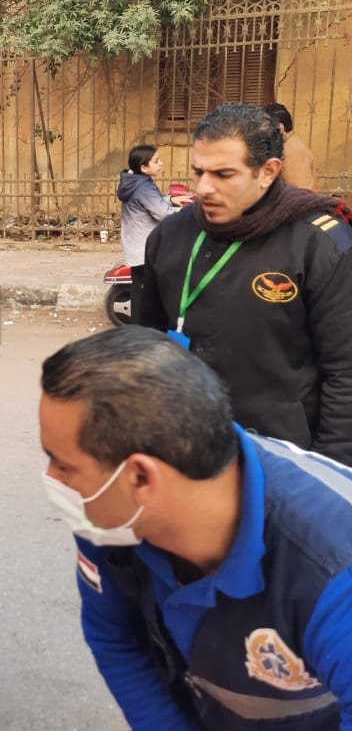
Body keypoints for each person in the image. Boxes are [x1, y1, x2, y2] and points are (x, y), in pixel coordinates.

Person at [40, 325, 352, 731]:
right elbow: (117, 642)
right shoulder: (111, 520)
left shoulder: (330, 572)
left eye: (64, 464)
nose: (52, 479)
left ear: (141, 477)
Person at [140, 102, 352, 466]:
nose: (204, 188)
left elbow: (345, 371)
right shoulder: (170, 235)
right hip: (186, 447)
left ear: (268, 172)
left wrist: (329, 472)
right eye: (198, 172)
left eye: (223, 174)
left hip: (282, 459)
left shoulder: (320, 245)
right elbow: (147, 342)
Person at [115, 145, 171, 324]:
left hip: (136, 245)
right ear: (144, 167)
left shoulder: (134, 182)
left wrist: (170, 200)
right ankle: (144, 326)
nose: (161, 163)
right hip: (146, 247)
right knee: (149, 289)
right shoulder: (144, 187)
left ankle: (139, 326)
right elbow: (163, 214)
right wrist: (183, 212)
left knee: (139, 288)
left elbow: (151, 203)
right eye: (156, 161)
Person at [263, 102, 316, 190]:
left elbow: (299, 192)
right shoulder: (285, 146)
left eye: (265, 128)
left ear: (280, 128)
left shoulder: (294, 153)